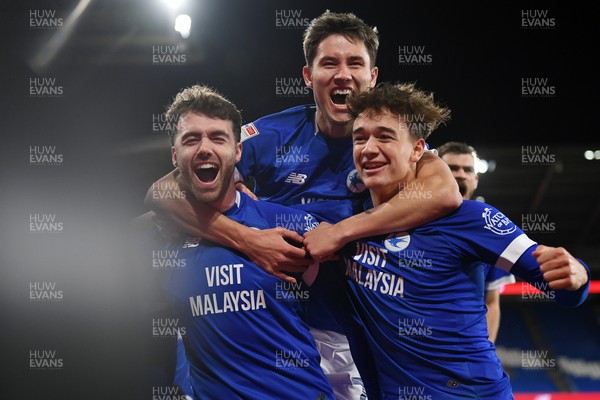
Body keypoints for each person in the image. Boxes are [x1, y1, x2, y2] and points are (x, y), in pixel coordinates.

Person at [146, 11, 462, 400]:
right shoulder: (274, 133)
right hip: (275, 325)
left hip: (357, 330)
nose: (342, 74)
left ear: (373, 76)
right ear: (308, 77)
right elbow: (162, 193)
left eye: (355, 63)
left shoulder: (390, 137)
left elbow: (445, 192)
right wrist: (248, 239)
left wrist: (341, 231)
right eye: (329, 63)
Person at [329, 81, 590, 399]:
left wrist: (577, 276)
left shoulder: (469, 218)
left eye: (384, 136)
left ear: (416, 149)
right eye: (360, 138)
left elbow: (557, 281)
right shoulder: (345, 225)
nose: (368, 148)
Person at [147, 84, 335, 399]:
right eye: (191, 139)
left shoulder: (283, 223)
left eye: (218, 138)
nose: (204, 148)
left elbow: (358, 284)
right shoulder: (158, 240)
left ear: (237, 152)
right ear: (174, 157)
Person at [436, 141, 516, 343]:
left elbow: (491, 301)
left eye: (467, 170)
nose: (460, 174)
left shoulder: (490, 233)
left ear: (475, 179)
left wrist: (485, 351)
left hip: (463, 348)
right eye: (452, 168)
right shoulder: (408, 220)